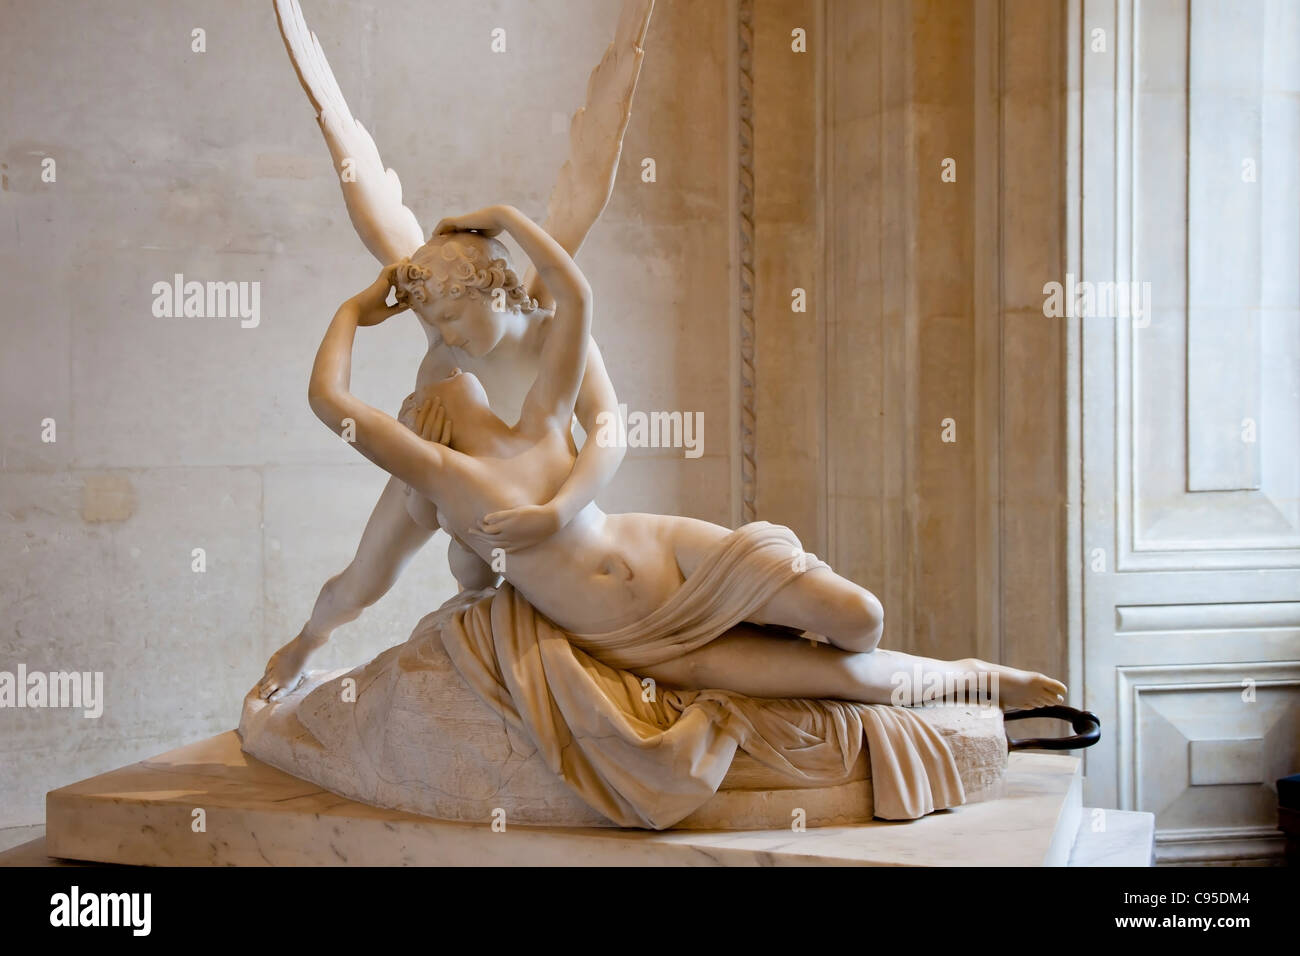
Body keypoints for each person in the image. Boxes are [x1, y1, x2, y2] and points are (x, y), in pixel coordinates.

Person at [259, 203, 1067, 712]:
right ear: (425, 428)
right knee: (838, 678)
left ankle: (973, 678)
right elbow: (331, 409)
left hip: (667, 546)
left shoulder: (541, 418)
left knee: (860, 619)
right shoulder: (445, 479)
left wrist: (501, 215)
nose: (448, 365)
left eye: (453, 341)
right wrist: (350, 311)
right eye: (433, 383)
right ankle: (985, 685)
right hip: (642, 635)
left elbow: (576, 297)